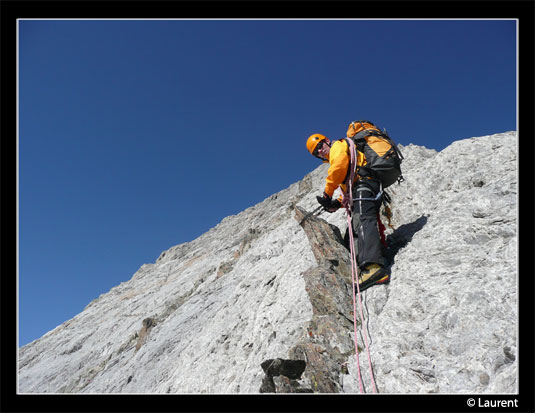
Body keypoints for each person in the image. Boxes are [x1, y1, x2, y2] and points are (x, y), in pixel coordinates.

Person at [306, 127, 391, 292]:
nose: (320, 152)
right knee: (358, 224)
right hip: (364, 186)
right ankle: (375, 258)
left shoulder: (338, 145)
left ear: (327, 141)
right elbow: (347, 186)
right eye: (316, 153)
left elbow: (339, 166)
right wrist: (337, 202)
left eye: (320, 147)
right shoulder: (339, 153)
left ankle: (373, 268)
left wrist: (327, 193)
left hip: (365, 184)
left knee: (364, 220)